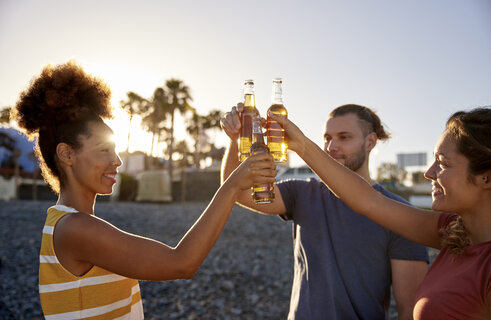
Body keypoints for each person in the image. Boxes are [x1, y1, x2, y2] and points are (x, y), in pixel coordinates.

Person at [12, 61, 277, 319]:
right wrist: (231, 186)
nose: (117, 161)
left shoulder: (67, 223)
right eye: (104, 150)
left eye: (115, 150)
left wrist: (233, 144)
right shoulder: (75, 228)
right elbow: (181, 263)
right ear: (66, 154)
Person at [269, 106, 491, 319]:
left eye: (442, 163)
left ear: (487, 177)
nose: (428, 173)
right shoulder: (451, 230)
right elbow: (368, 200)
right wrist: (301, 146)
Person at [221, 103, 429, 320]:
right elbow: (237, 192)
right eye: (327, 138)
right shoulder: (302, 192)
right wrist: (236, 139)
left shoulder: (401, 215)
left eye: (344, 137)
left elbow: (410, 310)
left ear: (370, 142)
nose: (331, 146)